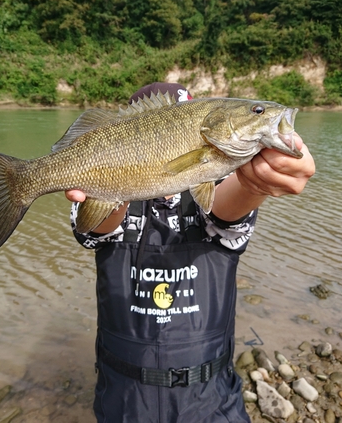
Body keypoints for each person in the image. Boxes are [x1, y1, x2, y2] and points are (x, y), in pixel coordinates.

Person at [65, 82, 315, 423]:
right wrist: (115, 179)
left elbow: (230, 210)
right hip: (124, 401)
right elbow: (95, 227)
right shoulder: (114, 199)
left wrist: (254, 185)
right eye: (256, 112)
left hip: (211, 402)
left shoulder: (214, 183)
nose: (263, 115)